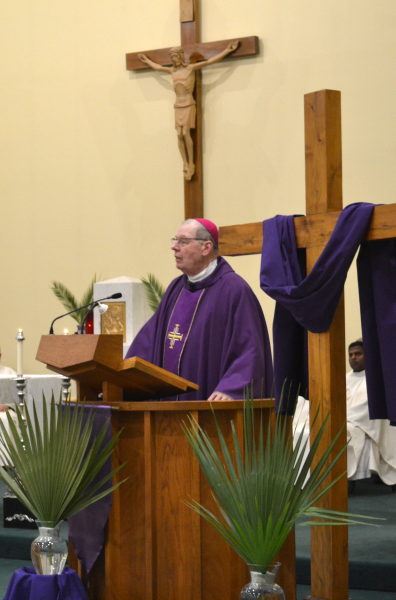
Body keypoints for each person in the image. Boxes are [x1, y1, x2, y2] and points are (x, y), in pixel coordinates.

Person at [126, 218, 273, 401]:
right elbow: (149, 341)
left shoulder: (234, 290)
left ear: (206, 247)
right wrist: (123, 381)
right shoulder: (175, 289)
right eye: (175, 240)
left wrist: (230, 389)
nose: (174, 247)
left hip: (210, 411)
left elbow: (250, 350)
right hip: (166, 414)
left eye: (183, 241)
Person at [137, 41, 239, 180]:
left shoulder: (190, 68)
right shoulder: (171, 71)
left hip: (188, 104)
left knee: (185, 133)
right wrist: (147, 60)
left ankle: (191, 163)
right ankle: (184, 163)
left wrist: (227, 50)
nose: (174, 60)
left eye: (176, 57)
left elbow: (210, 62)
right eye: (172, 58)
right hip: (178, 105)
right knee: (178, 134)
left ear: (181, 57)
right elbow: (158, 68)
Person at [345, 339, 396, 486]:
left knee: (339, 430)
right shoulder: (342, 378)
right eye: (350, 355)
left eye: (358, 354)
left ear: (367, 355)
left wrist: (341, 417)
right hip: (348, 420)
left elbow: (367, 406)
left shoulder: (376, 379)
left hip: (361, 424)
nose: (353, 358)